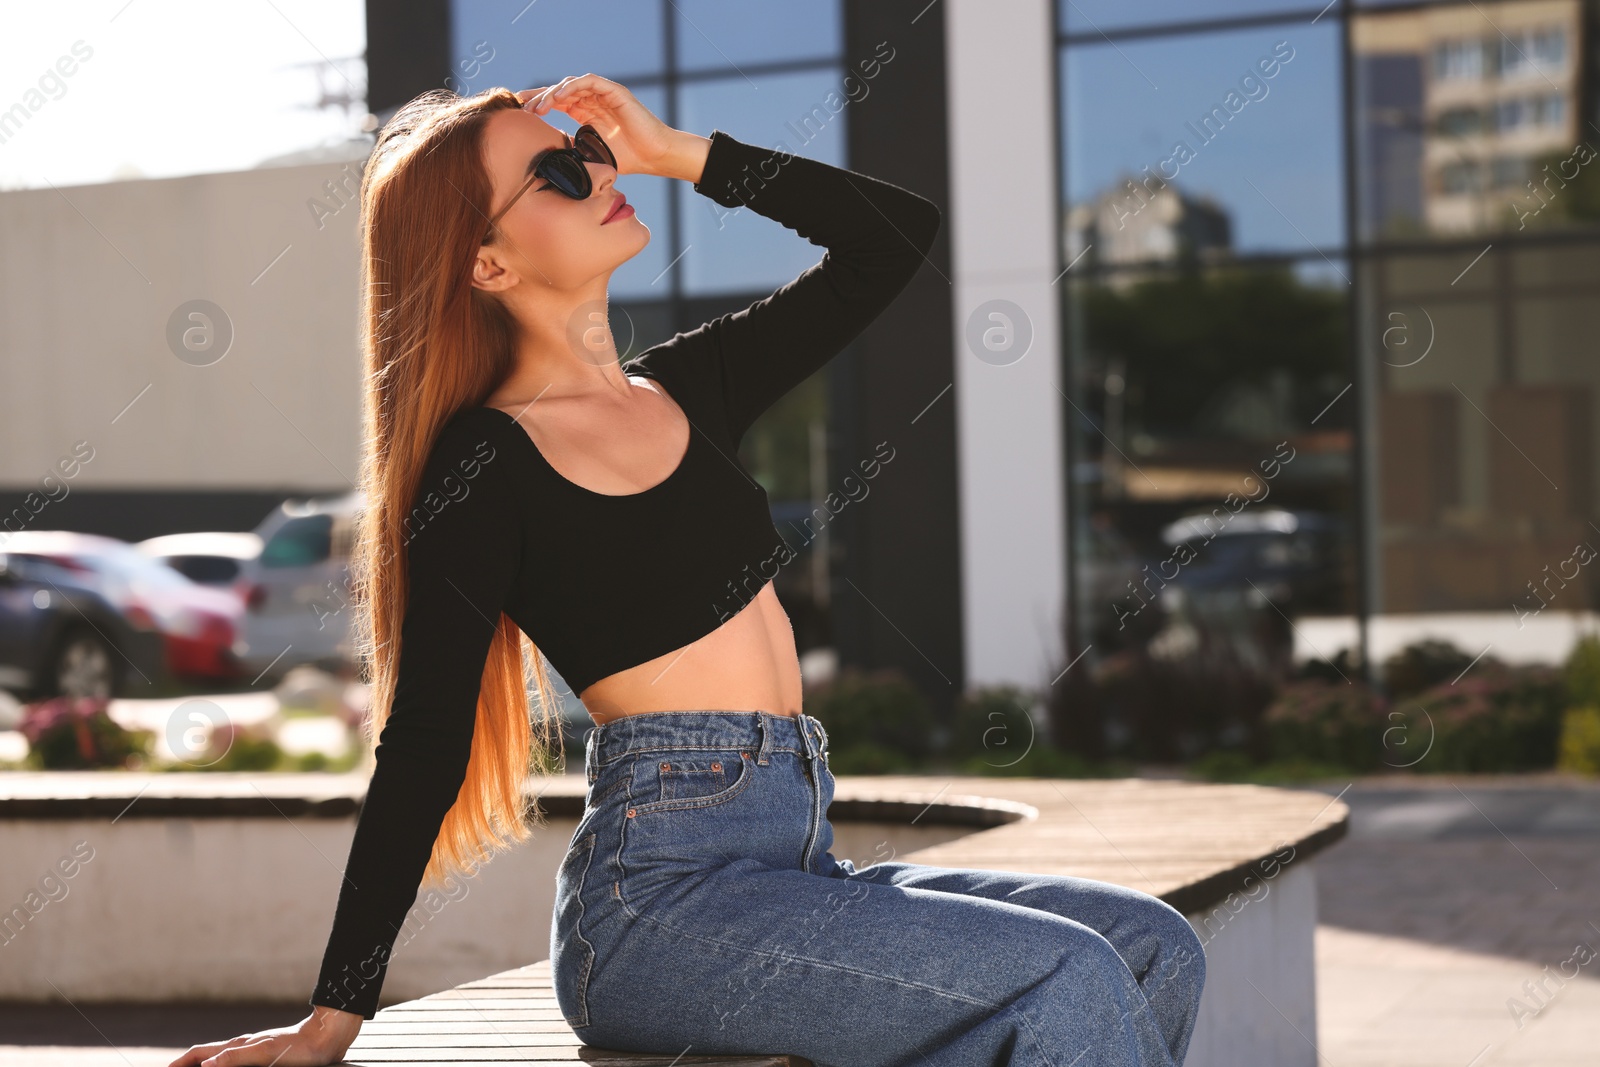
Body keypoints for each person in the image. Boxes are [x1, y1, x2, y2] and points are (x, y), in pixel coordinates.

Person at [171, 74, 1205, 1067]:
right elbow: (424, 741)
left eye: (585, 150)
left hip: (789, 862)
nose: (595, 169)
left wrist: (679, 153)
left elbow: (893, 239)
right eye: (558, 174)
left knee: (1157, 943)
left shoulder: (687, 385)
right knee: (1064, 972)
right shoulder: (482, 462)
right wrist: (332, 1014)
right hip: (658, 907)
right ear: (486, 263)